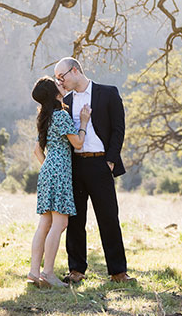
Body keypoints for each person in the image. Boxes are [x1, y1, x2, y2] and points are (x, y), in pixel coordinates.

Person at [54, 57, 134, 284]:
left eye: (62, 77)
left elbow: (119, 129)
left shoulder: (108, 93)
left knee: (109, 218)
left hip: (100, 164)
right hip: (75, 166)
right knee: (75, 219)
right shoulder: (65, 101)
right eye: (57, 79)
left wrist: (110, 161)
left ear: (75, 70)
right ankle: (76, 270)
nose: (60, 82)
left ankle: (118, 272)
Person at [28, 76, 91, 289]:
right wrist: (83, 122)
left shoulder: (44, 117)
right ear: (53, 93)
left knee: (44, 223)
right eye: (57, 85)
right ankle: (48, 273)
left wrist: (49, 166)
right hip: (60, 170)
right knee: (60, 223)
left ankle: (34, 272)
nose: (61, 85)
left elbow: (37, 150)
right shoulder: (61, 115)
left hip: (47, 169)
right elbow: (79, 143)